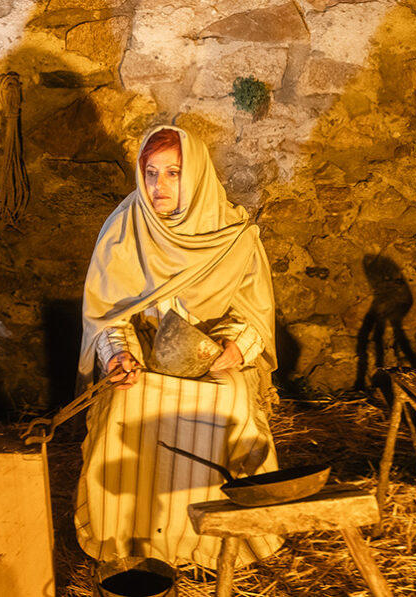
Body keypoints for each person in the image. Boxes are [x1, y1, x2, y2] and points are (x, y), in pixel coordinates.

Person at [74, 125, 283, 569]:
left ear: (197, 175)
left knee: (230, 401)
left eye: (173, 173)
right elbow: (108, 313)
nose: (158, 186)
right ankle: (129, 541)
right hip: (146, 353)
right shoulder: (124, 228)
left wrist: (235, 348)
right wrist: (118, 354)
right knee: (126, 403)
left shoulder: (234, 234)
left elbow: (254, 313)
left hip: (213, 355)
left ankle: (222, 542)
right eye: (150, 173)